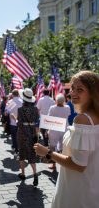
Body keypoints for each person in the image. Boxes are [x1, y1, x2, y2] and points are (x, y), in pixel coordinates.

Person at [34, 70, 99, 208]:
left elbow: (79, 165)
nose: (73, 93)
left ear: (93, 93)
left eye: (80, 90)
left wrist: (47, 152)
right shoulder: (92, 116)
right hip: (91, 185)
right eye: (73, 88)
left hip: (77, 190)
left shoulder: (83, 119)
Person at [17, 88, 39, 186]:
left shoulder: (20, 109)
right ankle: (35, 174)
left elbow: (20, 123)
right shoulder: (35, 109)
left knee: (22, 153)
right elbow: (36, 121)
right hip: (32, 133)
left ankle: (23, 173)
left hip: (22, 134)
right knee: (32, 154)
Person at [47, 93, 70, 170]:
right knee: (63, 147)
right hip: (64, 129)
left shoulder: (52, 108)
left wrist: (48, 130)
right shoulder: (67, 107)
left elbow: (49, 119)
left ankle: (53, 165)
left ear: (56, 100)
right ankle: (64, 164)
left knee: (53, 147)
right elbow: (68, 115)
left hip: (55, 129)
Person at [5, 89, 23, 156]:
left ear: (12, 94)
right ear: (18, 94)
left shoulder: (11, 102)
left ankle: (16, 150)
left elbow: (6, 113)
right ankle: (18, 149)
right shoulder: (22, 102)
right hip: (21, 122)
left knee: (14, 136)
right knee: (19, 137)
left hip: (13, 123)